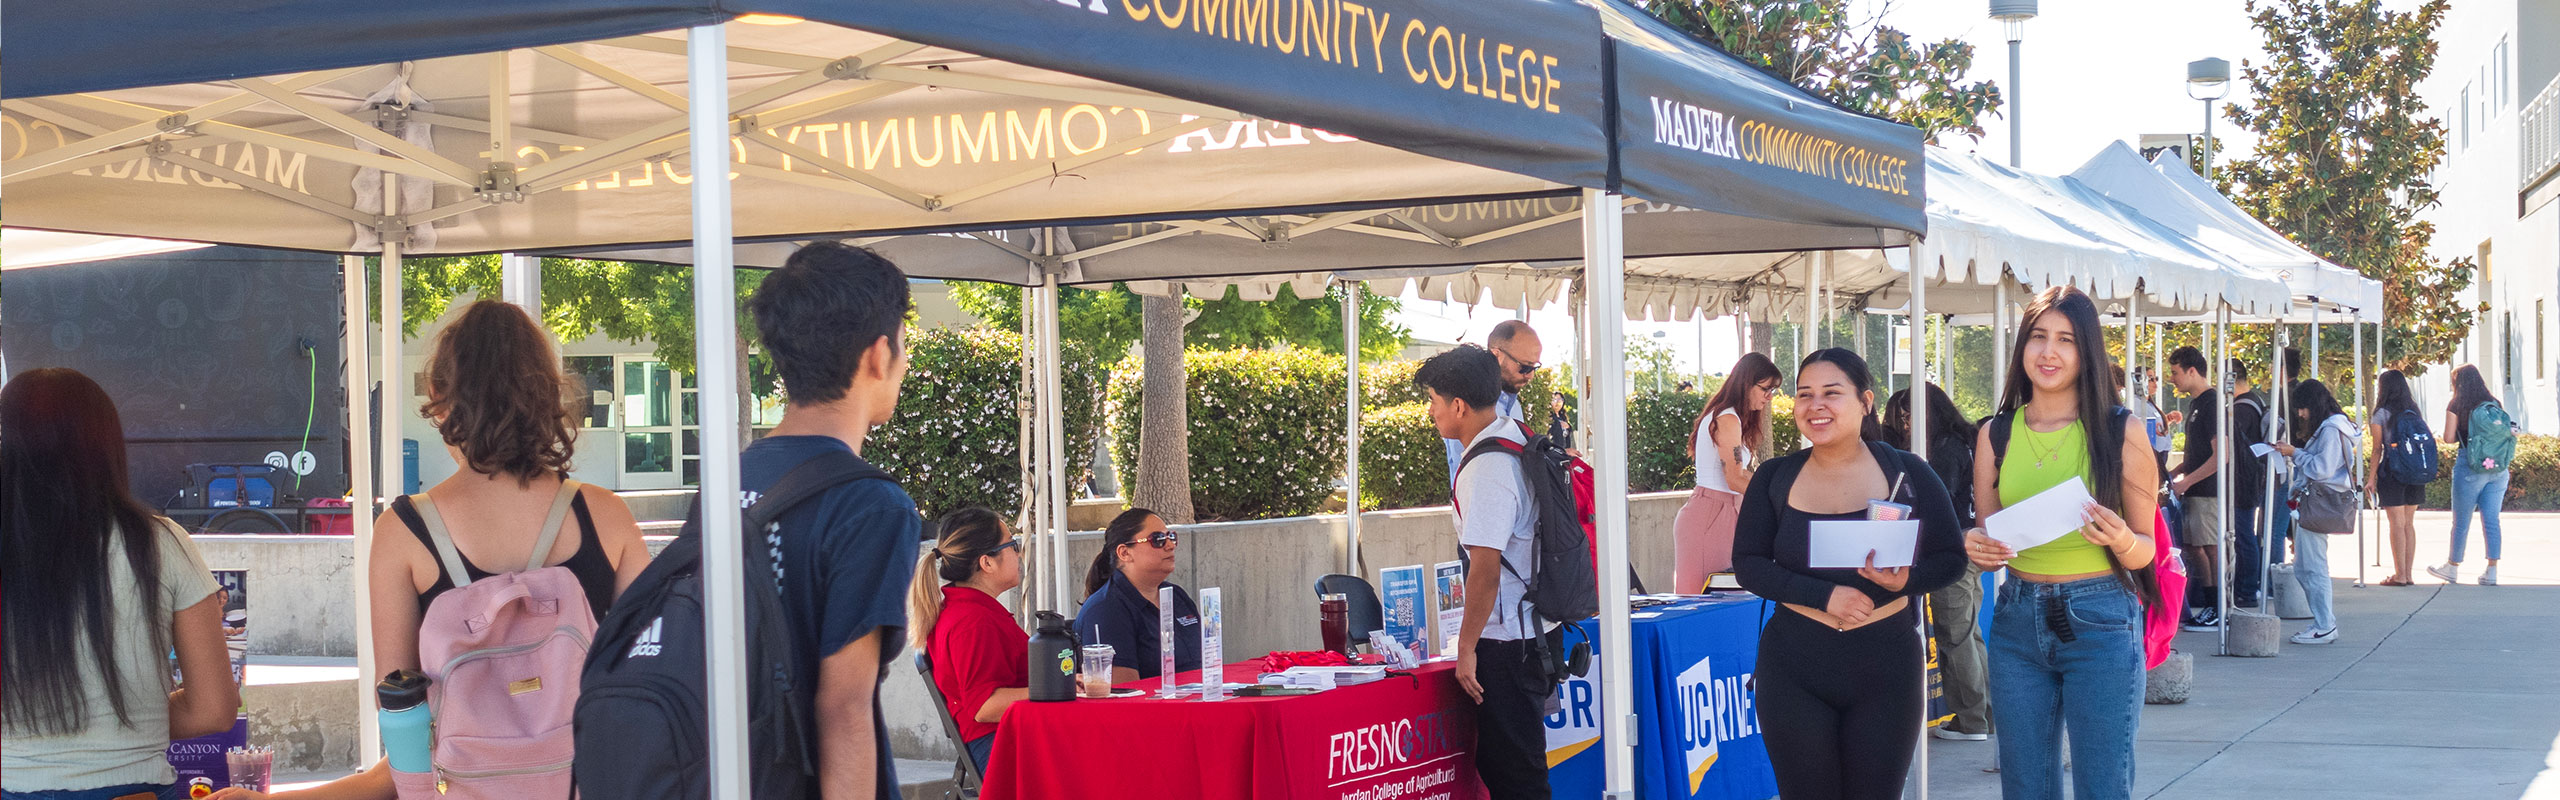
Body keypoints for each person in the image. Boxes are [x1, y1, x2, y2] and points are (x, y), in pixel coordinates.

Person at [215, 301, 656, 800]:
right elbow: (648, 690)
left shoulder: (404, 532)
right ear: (545, 393)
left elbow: (404, 735)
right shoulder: (607, 516)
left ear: (440, 399)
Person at [1732, 350, 1966, 800]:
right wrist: (1823, 596)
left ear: (1866, 401)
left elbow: (1950, 557)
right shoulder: (1774, 477)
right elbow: (1749, 564)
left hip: (1886, 667)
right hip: (1794, 667)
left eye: (1831, 393)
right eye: (1804, 395)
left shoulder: (1907, 472)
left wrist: (1905, 582)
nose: (1815, 405)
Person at [742, 241, 924, 799]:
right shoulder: (872, 505)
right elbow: (843, 707)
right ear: (877, 355)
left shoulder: (730, 479)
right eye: (902, 343)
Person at [3, 368, 239, 800]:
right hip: (133, 788)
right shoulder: (161, 542)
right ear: (106, 446)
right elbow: (215, 709)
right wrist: (120, 720)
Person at [1964, 286, 2161, 800]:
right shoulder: (1995, 434)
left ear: (2087, 351)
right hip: (2015, 620)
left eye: (2066, 340)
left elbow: (2148, 551)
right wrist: (1975, 545)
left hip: (2101, 618)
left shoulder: (2122, 431)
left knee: (2103, 786)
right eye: (2038, 337)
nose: (2048, 352)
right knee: (2025, 787)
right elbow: (1991, 539)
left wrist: (2120, 538)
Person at [1424, 345, 1552, 800]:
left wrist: (1466, 647)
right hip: (1531, 628)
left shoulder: (1487, 468)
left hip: (1507, 642)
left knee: (1515, 775)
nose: (1432, 412)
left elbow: (1486, 569)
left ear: (1458, 405)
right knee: (1517, 767)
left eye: (1434, 402)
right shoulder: (1515, 436)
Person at [1883, 382, 1992, 741]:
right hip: (1970, 544)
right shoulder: (1965, 442)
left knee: (1955, 634)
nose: (1905, 424)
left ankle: (1971, 718)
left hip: (1955, 548)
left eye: (1908, 415)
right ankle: (1983, 714)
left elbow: (1938, 501)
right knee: (1969, 634)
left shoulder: (1946, 449)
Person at [908, 508, 1028, 771]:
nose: (1018, 553)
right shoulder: (973, 622)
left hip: (1005, 739)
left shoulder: (968, 611)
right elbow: (985, 706)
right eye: (1012, 545)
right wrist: (1057, 690)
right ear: (987, 563)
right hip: (999, 747)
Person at [1671, 353, 1782, 590]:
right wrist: (1778, 496)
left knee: (1725, 599)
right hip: (1711, 513)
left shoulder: (1731, 418)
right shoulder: (1727, 418)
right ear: (1746, 383)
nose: (1769, 397)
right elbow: (1735, 478)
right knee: (1702, 602)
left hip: (1724, 510)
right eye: (1765, 389)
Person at [2269, 380, 2355, 644]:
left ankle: (2324, 623)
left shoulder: (2330, 429)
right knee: (2306, 567)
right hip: (2319, 501)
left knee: (2313, 567)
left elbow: (2321, 469)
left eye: (2303, 408)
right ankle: (2322, 622)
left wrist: (2296, 453)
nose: (2300, 414)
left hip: (2317, 501)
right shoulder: (2338, 426)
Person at [1073, 508, 1200, 683]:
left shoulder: (1177, 596)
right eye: (1157, 540)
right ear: (1125, 553)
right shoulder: (1106, 610)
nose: (1170, 545)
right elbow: (1124, 693)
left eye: (1171, 537)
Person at [2429, 364, 2510, 587]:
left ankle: (2452, 567)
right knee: (2492, 520)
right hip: (2497, 468)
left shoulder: (2457, 404)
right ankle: (2491, 571)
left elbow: (2448, 437)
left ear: (2458, 382)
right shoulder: (2494, 403)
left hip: (2470, 466)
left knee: (2461, 521)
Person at [2165, 347, 2226, 629]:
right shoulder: (2196, 404)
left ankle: (2218, 607)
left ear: (2192, 371)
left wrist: (2187, 481)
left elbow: (2220, 456)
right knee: (2194, 545)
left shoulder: (2212, 402)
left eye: (2175, 373)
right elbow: (2199, 453)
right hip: (2195, 488)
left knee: (2209, 547)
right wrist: (2176, 472)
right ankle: (2212, 604)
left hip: (2209, 490)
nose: (2172, 379)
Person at [1443, 320, 1543, 478]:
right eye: (1524, 366)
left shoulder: (1513, 403)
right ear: (1496, 355)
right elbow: (1480, 470)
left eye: (1534, 367)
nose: (1530, 375)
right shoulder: (1472, 403)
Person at [2364, 370, 2427, 586]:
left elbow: (2376, 449)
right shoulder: (2414, 410)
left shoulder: (2381, 413)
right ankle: (2407, 574)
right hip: (2416, 472)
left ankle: (2399, 575)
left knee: (2396, 524)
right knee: (2409, 524)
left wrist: (2371, 478)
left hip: (2393, 472)